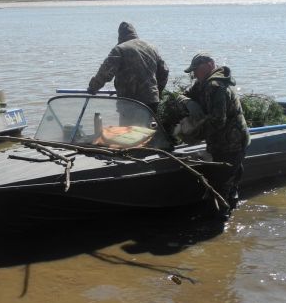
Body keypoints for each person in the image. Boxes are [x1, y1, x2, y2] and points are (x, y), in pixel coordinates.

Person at [183, 53, 250, 219]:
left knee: (221, 186)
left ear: (209, 65)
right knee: (230, 182)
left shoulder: (216, 86)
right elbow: (185, 93)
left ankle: (218, 224)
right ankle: (229, 220)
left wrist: (192, 134)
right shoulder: (205, 82)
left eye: (196, 70)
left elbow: (218, 122)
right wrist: (187, 102)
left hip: (230, 144)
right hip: (229, 141)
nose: (194, 75)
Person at [87, 21, 169, 114]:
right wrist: (157, 91)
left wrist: (93, 87)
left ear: (120, 36)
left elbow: (105, 72)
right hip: (151, 101)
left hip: (129, 102)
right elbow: (164, 72)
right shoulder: (152, 48)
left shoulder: (119, 49)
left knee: (129, 128)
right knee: (148, 128)